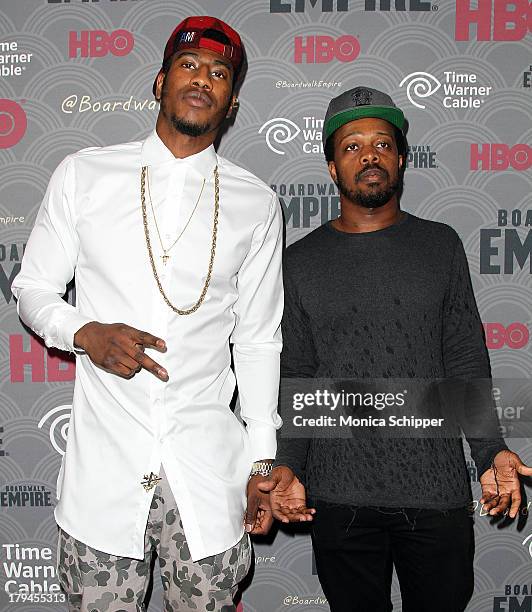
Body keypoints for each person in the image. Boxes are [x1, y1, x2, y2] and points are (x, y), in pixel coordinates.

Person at [12, 16, 282, 612]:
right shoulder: (84, 175)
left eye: (219, 74)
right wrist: (82, 331)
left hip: (209, 475)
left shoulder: (256, 203)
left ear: (232, 102)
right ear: (159, 82)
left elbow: (260, 340)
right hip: (105, 475)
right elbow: (32, 288)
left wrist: (263, 460)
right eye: (188, 66)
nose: (202, 80)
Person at [258, 87, 532, 612]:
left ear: (401, 159)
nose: (369, 155)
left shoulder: (440, 245)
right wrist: (289, 464)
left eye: (382, 143)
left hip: (436, 493)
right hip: (340, 497)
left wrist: (489, 453)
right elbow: (297, 373)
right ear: (333, 167)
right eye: (353, 145)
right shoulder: (301, 261)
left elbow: (466, 361)